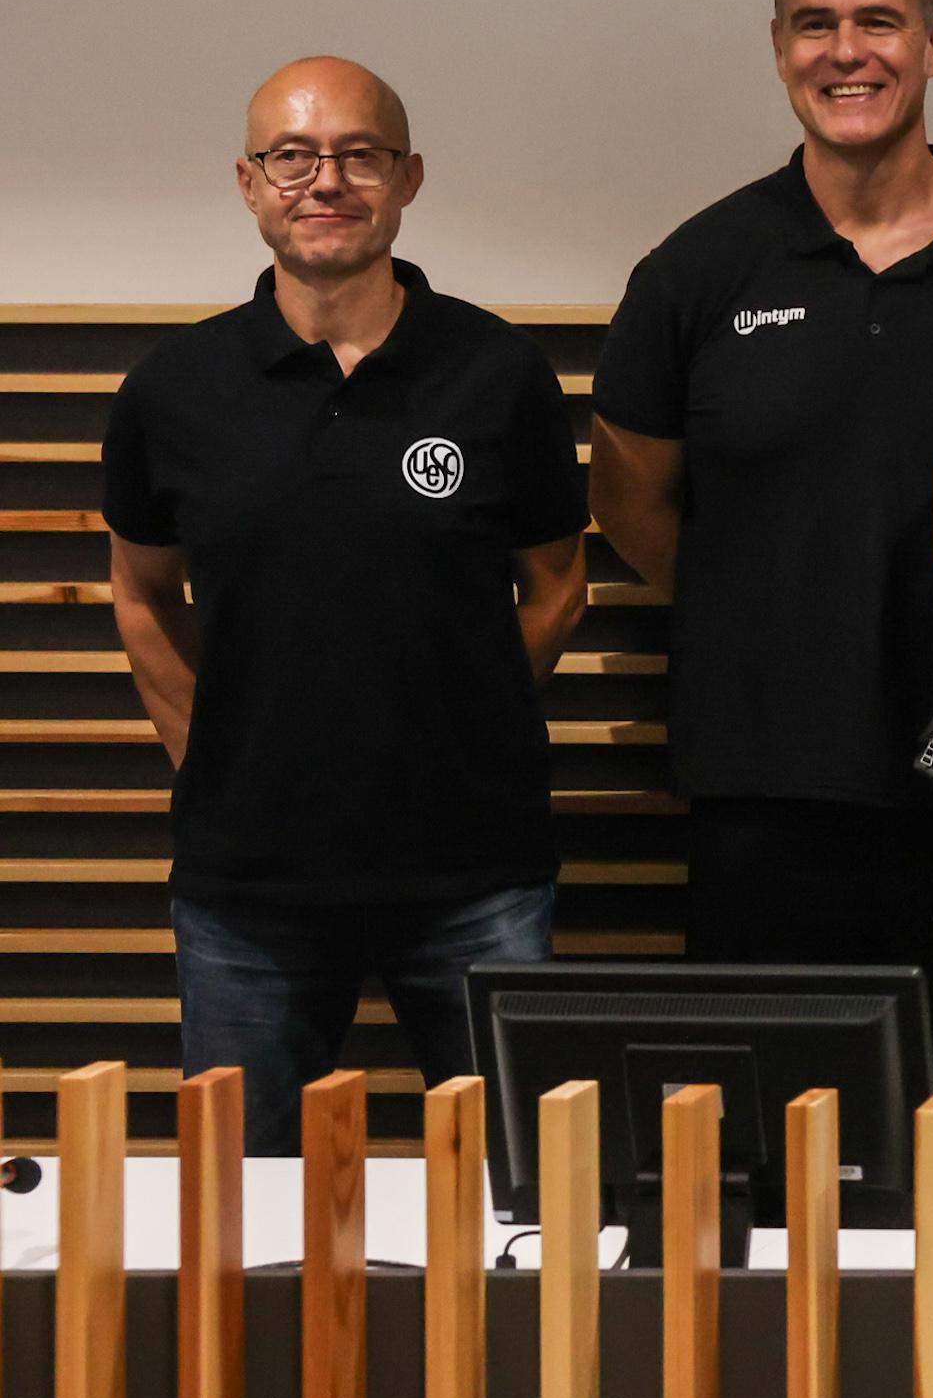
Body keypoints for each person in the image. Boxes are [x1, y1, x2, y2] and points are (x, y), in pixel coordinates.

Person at [592, 0, 933, 1074]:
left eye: (879, 22)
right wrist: (763, 601)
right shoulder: (697, 270)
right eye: (816, 24)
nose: (847, 51)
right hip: (763, 794)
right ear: (778, 46)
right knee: (765, 1144)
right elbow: (631, 500)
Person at [105, 60, 587, 1151]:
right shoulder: (173, 389)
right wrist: (213, 757)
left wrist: (467, 720)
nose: (325, 181)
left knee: (523, 1188)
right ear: (249, 182)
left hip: (476, 872)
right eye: (292, 156)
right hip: (246, 887)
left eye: (360, 155)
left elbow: (558, 584)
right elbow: (141, 592)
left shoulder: (499, 371)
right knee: (239, 1201)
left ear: (407, 178)